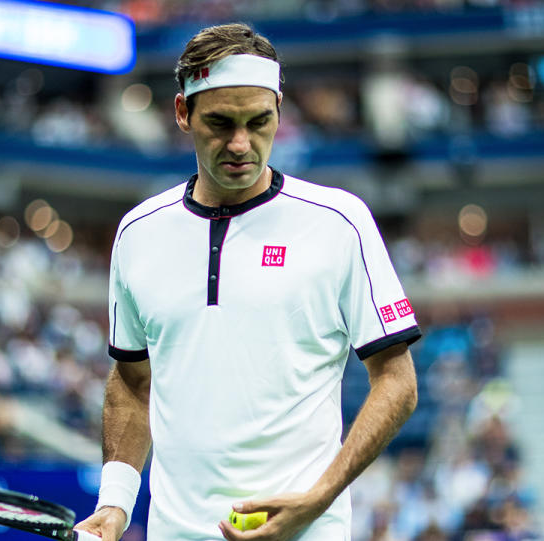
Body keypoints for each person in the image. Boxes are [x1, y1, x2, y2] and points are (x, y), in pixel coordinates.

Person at [74, 23, 421, 541]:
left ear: (280, 111)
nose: (241, 144)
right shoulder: (137, 233)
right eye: (220, 123)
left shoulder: (340, 221)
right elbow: (132, 380)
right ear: (181, 113)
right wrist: (116, 503)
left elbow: (397, 381)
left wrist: (318, 498)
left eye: (259, 121)